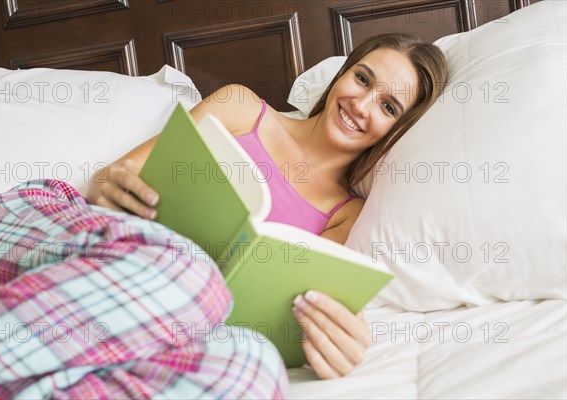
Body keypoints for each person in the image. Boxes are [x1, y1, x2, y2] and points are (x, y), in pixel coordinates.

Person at [86, 32, 448, 380]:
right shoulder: (239, 108)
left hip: (196, 323)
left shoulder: (347, 215)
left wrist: (334, 342)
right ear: (342, 74)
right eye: (363, 78)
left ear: (396, 131)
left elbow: (297, 316)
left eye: (388, 106)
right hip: (130, 259)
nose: (361, 104)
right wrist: (107, 187)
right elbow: (112, 176)